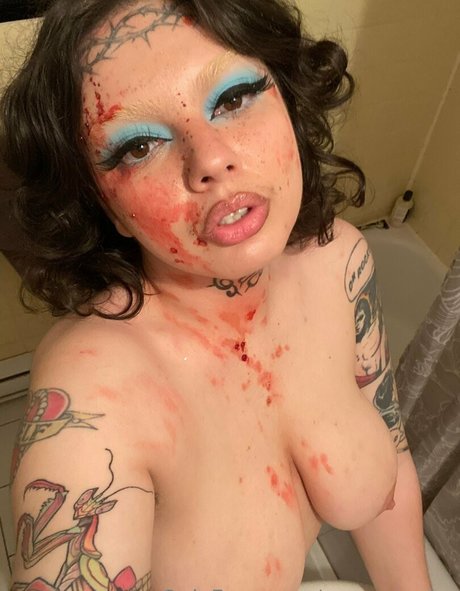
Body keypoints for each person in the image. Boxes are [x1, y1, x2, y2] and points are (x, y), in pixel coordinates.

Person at [1, 1, 432, 590]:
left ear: (288, 98)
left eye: (233, 98)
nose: (210, 159)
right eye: (139, 146)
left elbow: (391, 465)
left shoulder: (339, 261)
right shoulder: (95, 398)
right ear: (105, 206)